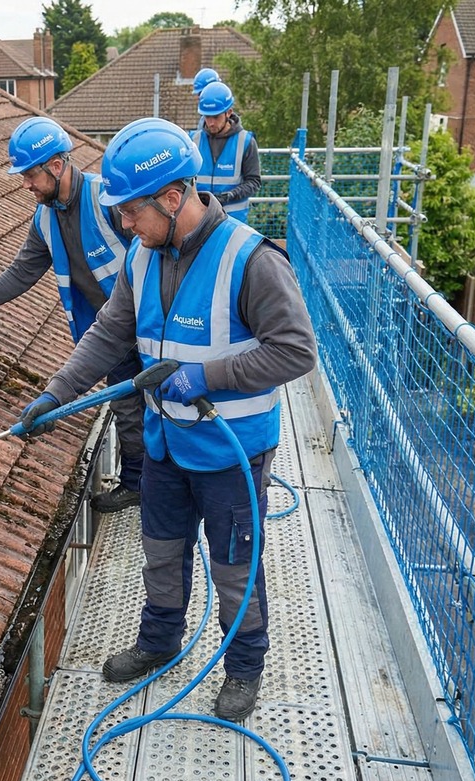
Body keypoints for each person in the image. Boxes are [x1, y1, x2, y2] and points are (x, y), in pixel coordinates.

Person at [17, 118, 316, 722]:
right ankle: (159, 642)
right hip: (165, 445)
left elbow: (295, 351)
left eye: (132, 213)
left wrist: (205, 376)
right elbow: (108, 333)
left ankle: (244, 666)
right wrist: (56, 392)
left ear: (173, 198)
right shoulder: (142, 257)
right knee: (161, 550)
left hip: (230, 453)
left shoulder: (251, 261)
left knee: (233, 567)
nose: (124, 225)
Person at [0, 116, 146, 513]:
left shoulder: (108, 200)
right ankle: (137, 484)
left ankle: (176, 483)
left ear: (57, 165)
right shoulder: (45, 219)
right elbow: (21, 273)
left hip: (149, 325)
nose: (25, 184)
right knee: (128, 410)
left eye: (30, 174)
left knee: (166, 404)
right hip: (106, 335)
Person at [192, 81, 261, 224]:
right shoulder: (193, 140)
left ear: (228, 112)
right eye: (207, 116)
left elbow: (254, 182)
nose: (210, 123)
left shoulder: (246, 141)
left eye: (216, 117)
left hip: (233, 221)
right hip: (199, 219)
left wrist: (229, 195)